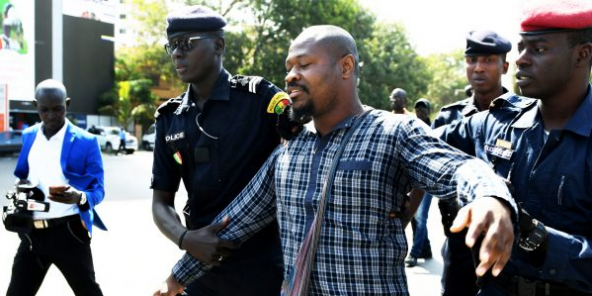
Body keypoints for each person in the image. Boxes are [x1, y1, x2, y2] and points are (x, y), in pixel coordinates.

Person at [155, 25, 519, 296]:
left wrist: (490, 196)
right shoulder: (289, 150)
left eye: (304, 65)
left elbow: (457, 167)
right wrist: (176, 279)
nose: (291, 75)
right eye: (289, 66)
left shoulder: (393, 132)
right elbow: (234, 223)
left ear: (345, 67)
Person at [438, 1, 592, 294]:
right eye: (521, 48)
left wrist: (535, 235)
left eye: (539, 49)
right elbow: (421, 142)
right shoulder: (494, 124)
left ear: (582, 55)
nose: (521, 60)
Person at [150, 5, 297, 296]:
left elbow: (311, 151)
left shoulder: (262, 101)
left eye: (187, 44)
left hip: (264, 269)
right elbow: (160, 202)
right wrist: (185, 238)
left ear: (218, 45)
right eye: (172, 46)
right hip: (201, 268)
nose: (177, 54)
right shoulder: (170, 118)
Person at [7, 79, 106, 296]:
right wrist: (21, 188)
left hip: (69, 233)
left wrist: (78, 197)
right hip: (32, 235)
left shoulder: (86, 141)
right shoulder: (29, 136)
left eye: (58, 108)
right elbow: (23, 174)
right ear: (36, 106)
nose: (51, 115)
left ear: (67, 104)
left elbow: (98, 190)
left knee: (88, 292)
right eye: (44, 110)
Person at [434, 30, 512, 296]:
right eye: (472, 60)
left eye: (488, 60)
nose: (478, 67)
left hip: (506, 243)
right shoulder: (448, 118)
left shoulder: (523, 116)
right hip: (458, 240)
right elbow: (423, 166)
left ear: (505, 66)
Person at [405, 97, 433, 268]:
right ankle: (426, 248)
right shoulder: (411, 127)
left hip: (427, 180)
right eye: (418, 109)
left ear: (428, 112)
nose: (420, 112)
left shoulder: (434, 129)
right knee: (416, 218)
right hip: (412, 179)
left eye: (423, 109)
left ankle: (414, 253)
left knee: (420, 217)